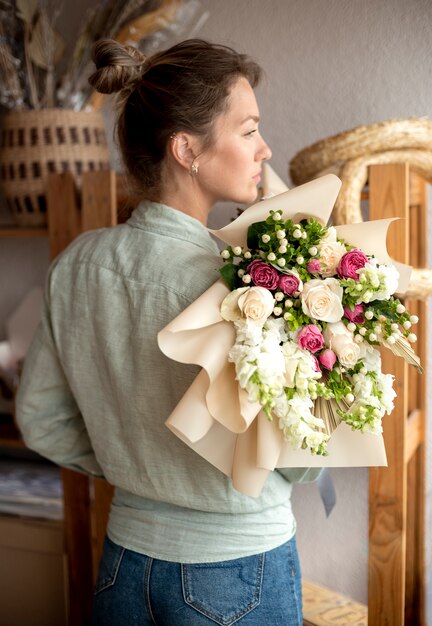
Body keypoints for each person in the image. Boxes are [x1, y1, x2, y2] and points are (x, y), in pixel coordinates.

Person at [16, 38, 322, 625]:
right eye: (249, 129)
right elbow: (302, 459)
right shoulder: (249, 289)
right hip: (237, 571)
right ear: (187, 149)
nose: (265, 147)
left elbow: (41, 420)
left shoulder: (76, 264)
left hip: (124, 565)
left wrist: (137, 468)